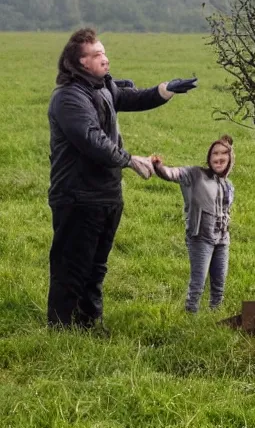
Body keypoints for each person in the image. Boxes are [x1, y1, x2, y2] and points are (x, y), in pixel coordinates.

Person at [47, 27, 197, 329]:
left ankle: (90, 322)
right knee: (71, 266)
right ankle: (61, 329)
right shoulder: (68, 99)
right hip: (77, 197)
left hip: (106, 194)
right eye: (97, 54)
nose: (105, 58)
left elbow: (130, 97)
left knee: (96, 266)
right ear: (80, 62)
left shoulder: (101, 86)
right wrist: (129, 160)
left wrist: (164, 90)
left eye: (104, 52)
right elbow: (92, 140)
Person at [151, 136, 236, 313]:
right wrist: (159, 167)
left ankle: (214, 318)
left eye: (223, 154)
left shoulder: (228, 186)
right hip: (201, 238)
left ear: (230, 160)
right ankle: (190, 316)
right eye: (215, 153)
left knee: (219, 285)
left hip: (222, 240)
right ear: (209, 157)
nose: (218, 158)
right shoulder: (195, 175)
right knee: (198, 284)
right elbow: (172, 174)